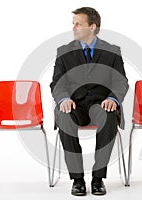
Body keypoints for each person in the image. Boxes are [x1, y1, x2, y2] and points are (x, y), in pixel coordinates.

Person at [50, 7, 128, 196]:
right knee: (64, 116)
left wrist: (113, 99)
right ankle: (77, 180)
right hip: (75, 105)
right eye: (73, 24)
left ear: (92, 27)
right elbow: (57, 83)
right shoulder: (64, 51)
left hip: (101, 105)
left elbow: (121, 82)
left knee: (109, 117)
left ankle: (97, 179)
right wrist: (63, 99)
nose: (73, 28)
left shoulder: (112, 51)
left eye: (78, 24)